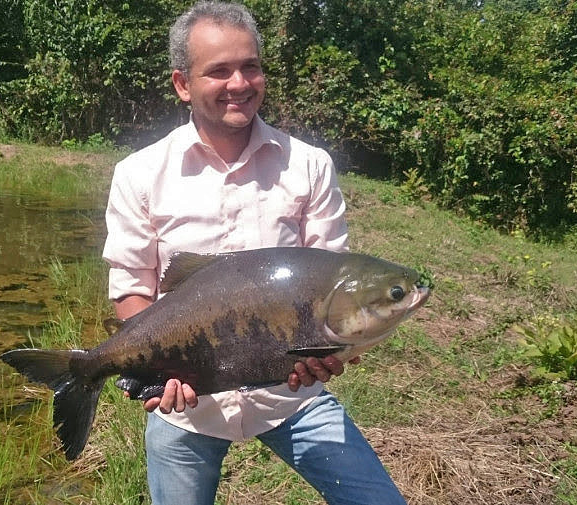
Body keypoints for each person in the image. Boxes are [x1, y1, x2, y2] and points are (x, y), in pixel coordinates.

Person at [102, 2, 406, 504]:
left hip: (292, 398)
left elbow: (339, 288)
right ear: (182, 84)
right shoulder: (139, 174)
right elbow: (133, 291)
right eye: (218, 71)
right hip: (188, 407)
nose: (239, 83)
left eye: (250, 66)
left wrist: (329, 356)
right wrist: (163, 374)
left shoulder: (310, 166)